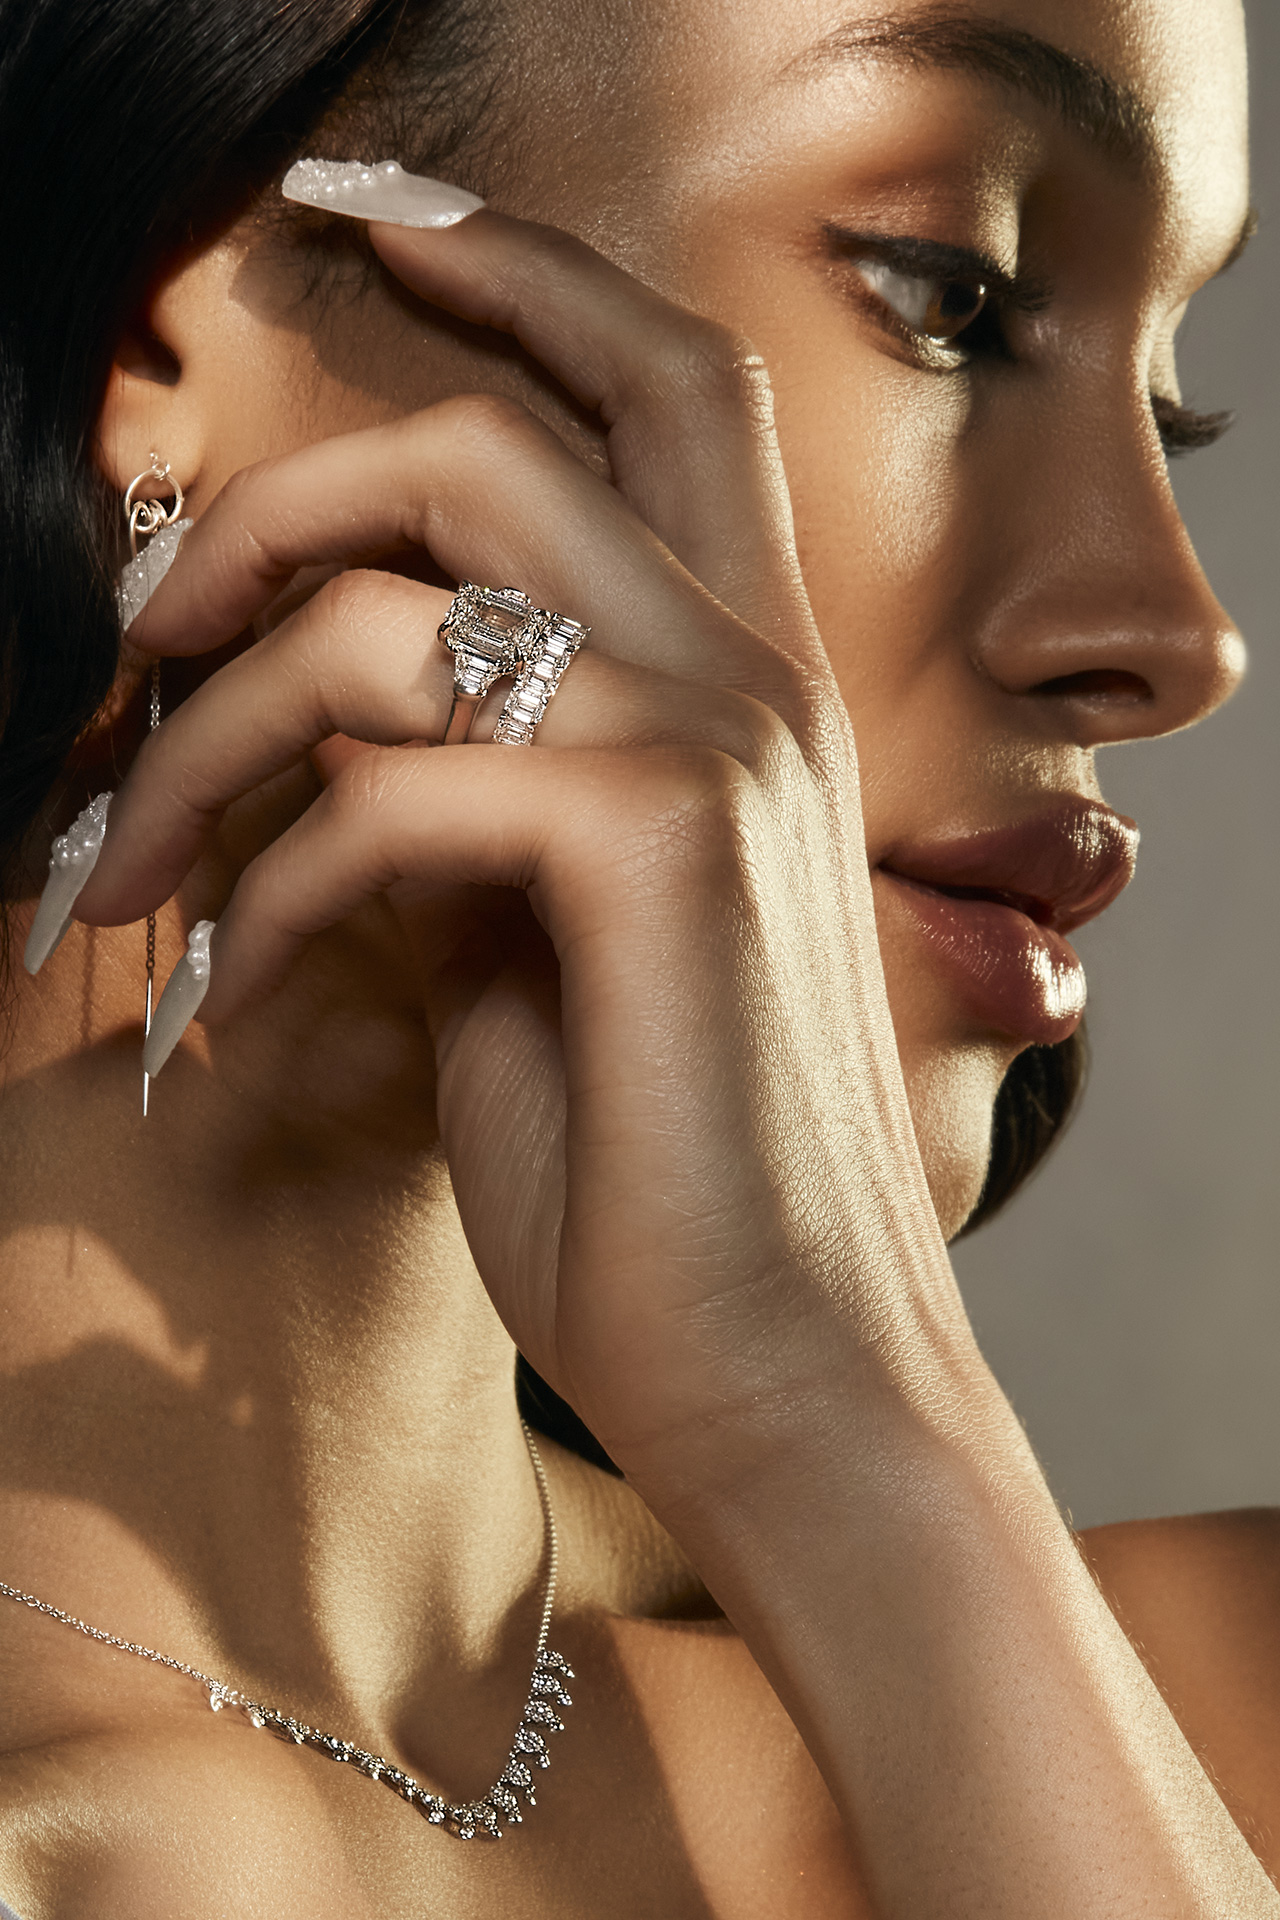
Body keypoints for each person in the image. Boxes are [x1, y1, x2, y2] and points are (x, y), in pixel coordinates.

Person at [0, 0, 1276, 1912]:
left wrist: (855, 1443)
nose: (1177, 633)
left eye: (1168, 408)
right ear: (184, 315)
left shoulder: (1219, 1719)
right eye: (953, 292)